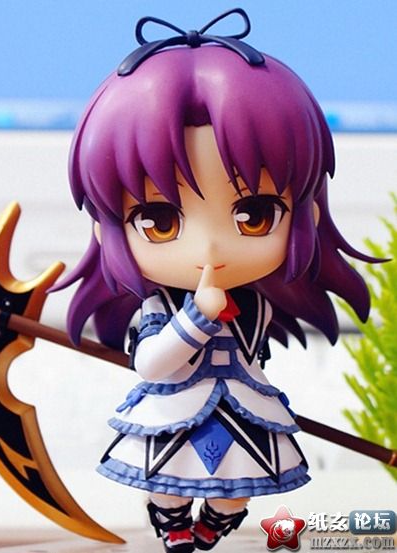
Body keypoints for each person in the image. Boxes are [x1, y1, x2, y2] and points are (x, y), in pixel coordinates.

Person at [51, 10, 375, 552]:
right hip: (172, 411)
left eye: (254, 215)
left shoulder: (258, 305)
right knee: (167, 483)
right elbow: (150, 363)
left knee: (234, 494)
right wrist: (196, 318)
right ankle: (173, 523)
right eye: (159, 221)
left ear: (308, 215)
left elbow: (254, 355)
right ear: (105, 226)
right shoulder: (159, 308)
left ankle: (211, 529)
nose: (208, 249)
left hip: (240, 408)